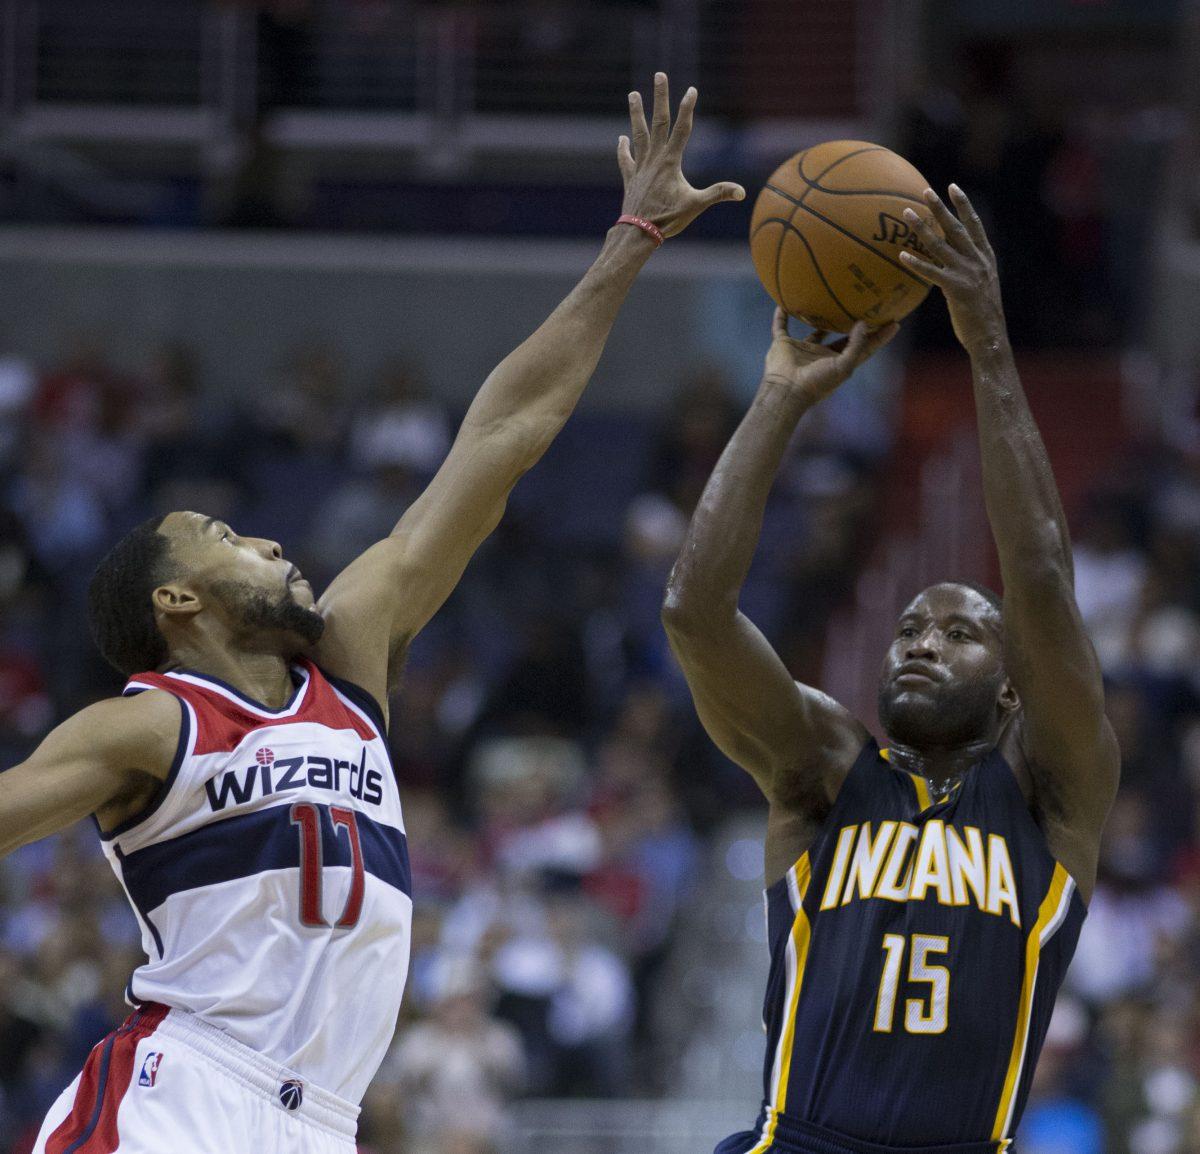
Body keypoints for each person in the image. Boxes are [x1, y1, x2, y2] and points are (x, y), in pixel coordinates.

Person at [1, 74, 745, 1153]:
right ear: (177, 599)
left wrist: (630, 237)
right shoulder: (148, 722)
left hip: (324, 1122)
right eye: (226, 537)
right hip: (183, 1093)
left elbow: (506, 435)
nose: (267, 541)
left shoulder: (349, 661)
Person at [662, 185, 1119, 1154]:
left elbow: (1037, 569)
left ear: (1011, 685)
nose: (920, 639)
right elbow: (694, 611)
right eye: (910, 625)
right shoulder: (824, 765)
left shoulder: (1053, 792)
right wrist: (781, 398)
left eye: (959, 632)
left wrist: (988, 345)